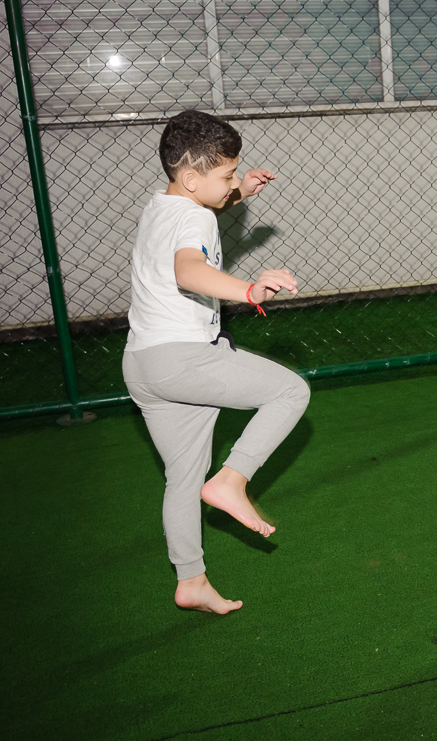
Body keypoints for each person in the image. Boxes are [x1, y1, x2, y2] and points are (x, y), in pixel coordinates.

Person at [122, 109, 311, 614]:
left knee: (183, 475)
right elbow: (189, 269)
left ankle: (192, 580)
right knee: (290, 391)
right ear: (191, 177)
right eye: (227, 174)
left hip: (143, 365)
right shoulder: (197, 216)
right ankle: (231, 482)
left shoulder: (161, 205)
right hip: (183, 358)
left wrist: (239, 192)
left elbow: (191, 220)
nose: (232, 180)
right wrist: (248, 289)